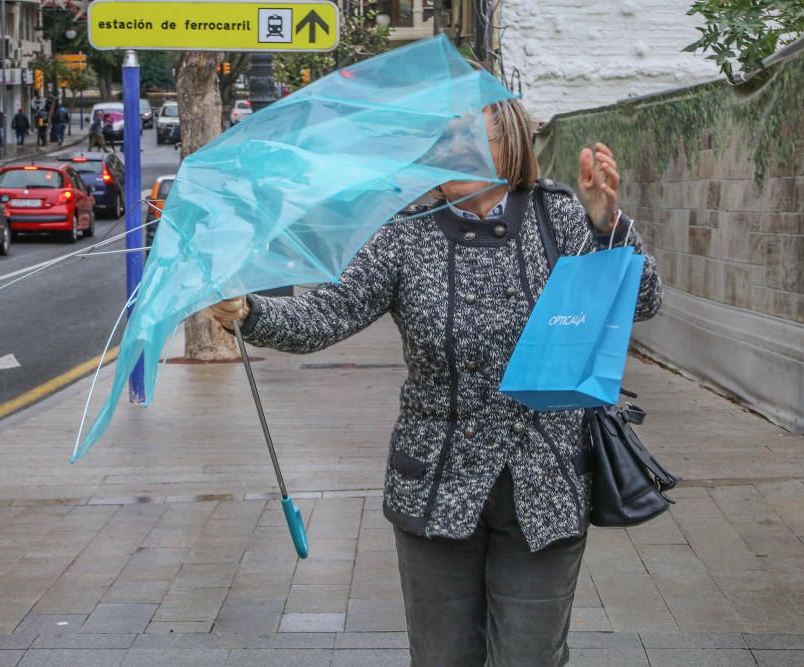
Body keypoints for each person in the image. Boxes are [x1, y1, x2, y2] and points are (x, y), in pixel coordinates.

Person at [210, 98, 662, 667]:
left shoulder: (561, 214)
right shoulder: (405, 234)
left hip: (545, 481)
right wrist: (250, 313)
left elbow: (642, 303)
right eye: (439, 141)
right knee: (441, 657)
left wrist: (608, 227)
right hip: (434, 481)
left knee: (531, 656)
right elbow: (328, 314)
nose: (445, 152)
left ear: (509, 143)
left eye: (463, 139)